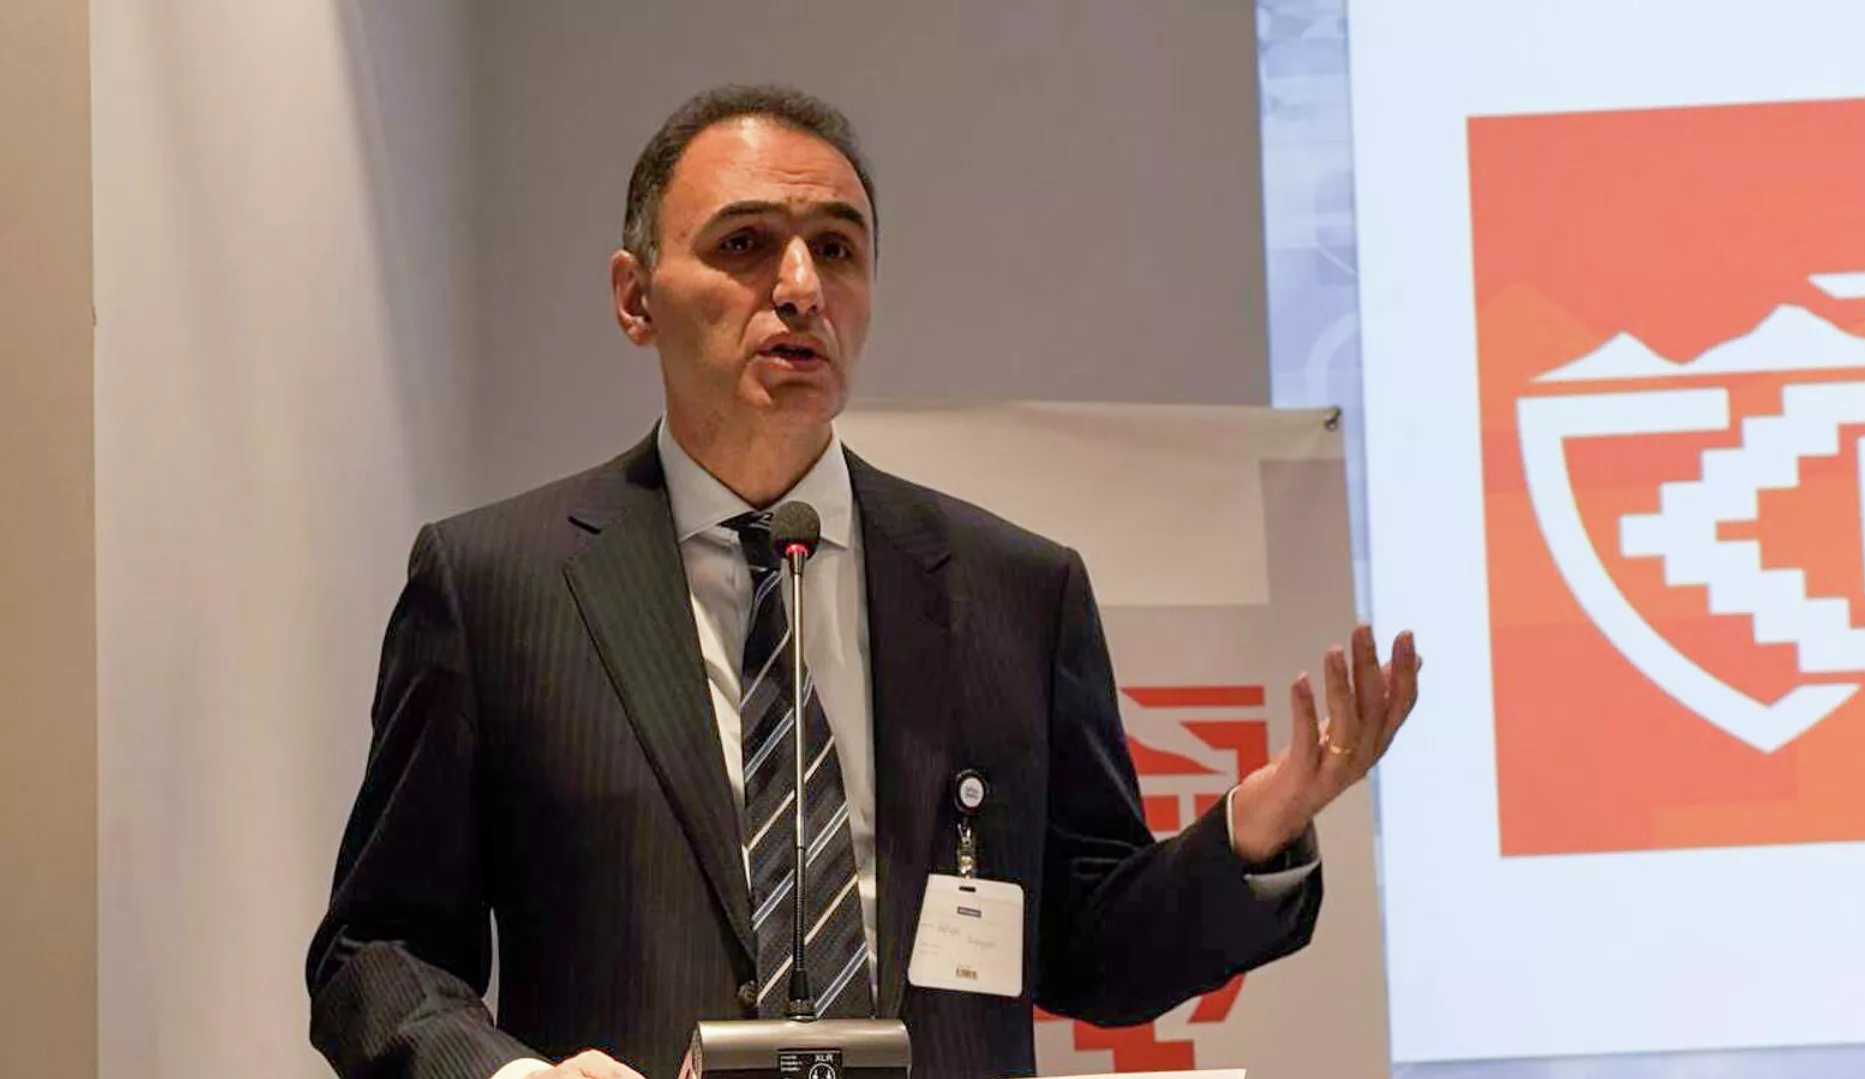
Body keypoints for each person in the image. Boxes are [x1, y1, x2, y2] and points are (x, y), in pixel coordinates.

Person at [306, 84, 1420, 1079]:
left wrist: (1252, 831)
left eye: (837, 249)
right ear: (635, 297)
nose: (801, 288)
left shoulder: (1013, 591)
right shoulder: (498, 587)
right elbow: (376, 950)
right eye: (747, 243)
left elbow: (1094, 951)